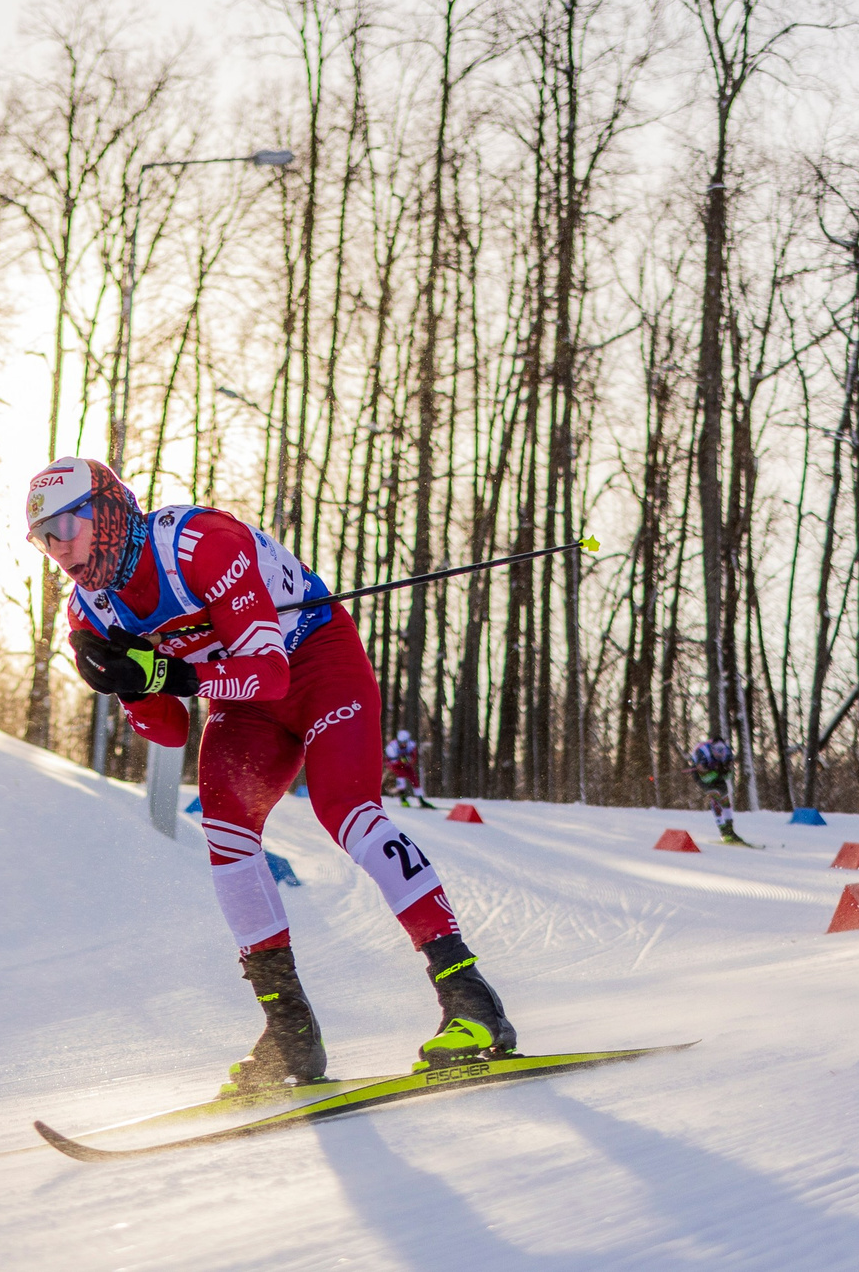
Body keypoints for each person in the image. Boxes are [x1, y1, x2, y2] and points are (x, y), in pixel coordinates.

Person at [27, 456, 515, 1086]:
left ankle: (471, 999)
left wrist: (161, 673)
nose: (58, 548)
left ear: (111, 512)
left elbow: (273, 671)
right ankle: (289, 1029)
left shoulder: (200, 543)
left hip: (313, 661)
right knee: (225, 835)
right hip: (241, 700)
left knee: (348, 813)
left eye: (68, 525)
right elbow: (172, 730)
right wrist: (129, 688)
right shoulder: (90, 612)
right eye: (43, 538)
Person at [688, 737, 749, 845]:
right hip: (702, 776)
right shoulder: (703, 752)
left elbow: (729, 774)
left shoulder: (728, 753)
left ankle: (730, 829)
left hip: (717, 776)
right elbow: (703, 775)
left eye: (722, 751)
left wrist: (724, 770)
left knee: (725, 798)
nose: (719, 754)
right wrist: (713, 769)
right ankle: (723, 830)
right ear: (712, 749)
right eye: (717, 752)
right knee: (715, 795)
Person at [383, 729, 436, 810]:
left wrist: (407, 760)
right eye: (402, 742)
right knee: (401, 777)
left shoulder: (411, 745)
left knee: (414, 779)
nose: (404, 744)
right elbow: (392, 762)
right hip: (395, 766)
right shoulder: (392, 747)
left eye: (405, 742)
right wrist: (401, 760)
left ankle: (421, 799)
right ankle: (402, 798)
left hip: (405, 765)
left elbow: (413, 758)